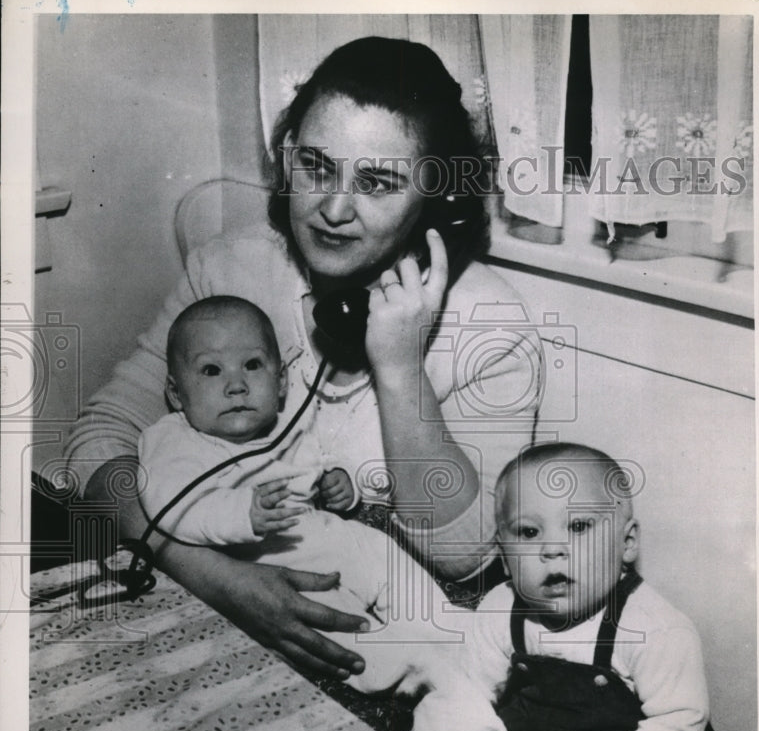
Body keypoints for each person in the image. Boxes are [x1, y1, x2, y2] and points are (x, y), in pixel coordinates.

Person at [65, 36, 539, 679]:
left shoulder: (493, 325)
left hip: (390, 642)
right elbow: (100, 439)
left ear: (436, 194)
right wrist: (206, 572)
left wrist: (401, 371)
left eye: (377, 183)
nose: (334, 210)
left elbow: (468, 559)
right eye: (316, 167)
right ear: (288, 157)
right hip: (216, 596)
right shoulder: (230, 268)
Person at [137, 294, 510, 731]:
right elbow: (166, 506)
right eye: (211, 371)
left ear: (279, 382)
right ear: (176, 392)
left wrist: (341, 487)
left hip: (329, 536)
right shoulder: (172, 439)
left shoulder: (286, 427)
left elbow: (317, 465)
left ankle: (447, 626)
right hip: (272, 566)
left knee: (383, 555)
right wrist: (240, 516)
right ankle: (428, 688)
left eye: (252, 365)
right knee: (339, 628)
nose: (235, 385)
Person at [458, 442, 728, 731]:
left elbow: (679, 721)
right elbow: (473, 695)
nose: (553, 549)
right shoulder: (498, 609)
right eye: (529, 532)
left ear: (627, 543)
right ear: (504, 557)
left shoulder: (655, 627)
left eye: (579, 526)